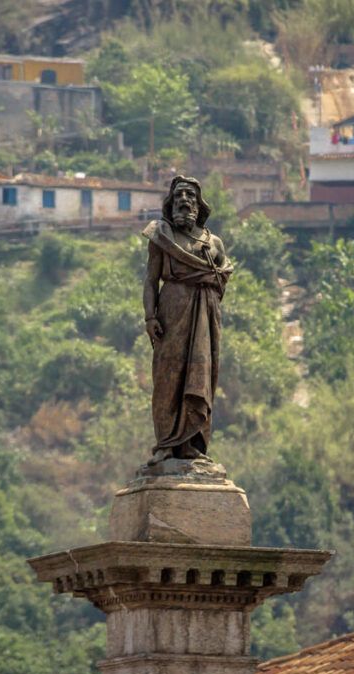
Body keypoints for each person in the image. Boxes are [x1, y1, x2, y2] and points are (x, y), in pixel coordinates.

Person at [142, 176, 233, 465]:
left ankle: (192, 444)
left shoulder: (214, 243)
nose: (184, 200)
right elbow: (150, 280)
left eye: (190, 196)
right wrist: (149, 316)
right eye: (179, 195)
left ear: (198, 203)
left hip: (204, 318)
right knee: (168, 378)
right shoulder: (161, 236)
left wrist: (205, 292)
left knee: (200, 378)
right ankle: (166, 444)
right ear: (171, 203)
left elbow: (222, 280)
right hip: (170, 314)